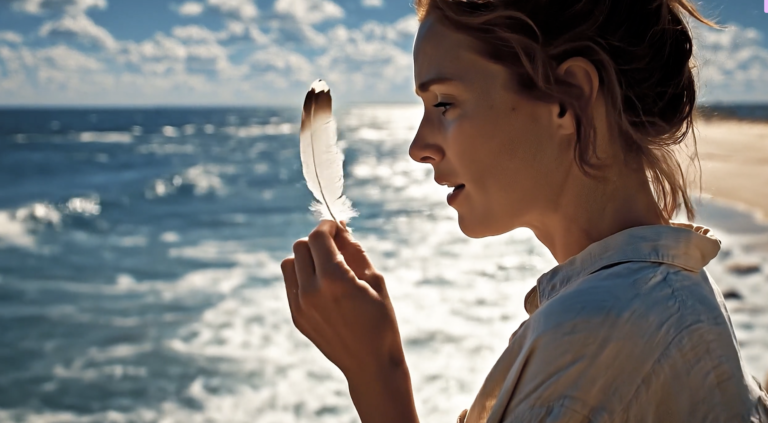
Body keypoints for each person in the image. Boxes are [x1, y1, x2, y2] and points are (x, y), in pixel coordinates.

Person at [280, 0, 768, 421]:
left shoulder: (597, 331)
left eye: (445, 104)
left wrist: (375, 371)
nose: (418, 147)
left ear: (567, 97)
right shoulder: (669, 293)